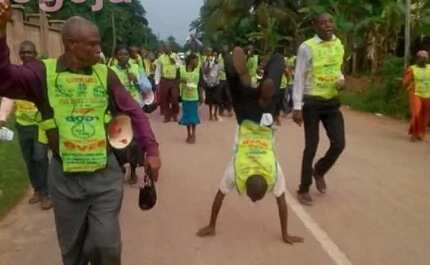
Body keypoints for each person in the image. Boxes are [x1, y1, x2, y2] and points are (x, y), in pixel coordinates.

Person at [0, 5, 161, 264]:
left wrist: (151, 150)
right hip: (66, 181)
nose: (99, 50)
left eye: (99, 44)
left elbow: (135, 112)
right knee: (73, 253)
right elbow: (4, 79)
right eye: (92, 45)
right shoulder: (43, 73)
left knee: (108, 247)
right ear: (71, 44)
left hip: (104, 176)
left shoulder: (104, 75)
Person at [196, 46, 303, 244]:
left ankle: (257, 78)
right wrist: (285, 234)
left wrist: (212, 225)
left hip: (263, 116)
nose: (253, 201)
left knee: (275, 65)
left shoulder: (262, 172)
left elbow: (220, 197)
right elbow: (281, 204)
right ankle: (233, 63)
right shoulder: (245, 173)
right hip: (248, 115)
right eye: (256, 198)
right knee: (237, 86)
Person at [292, 13, 346, 206]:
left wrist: (342, 80)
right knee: (312, 145)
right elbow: (298, 76)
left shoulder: (338, 44)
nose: (327, 25)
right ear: (315, 26)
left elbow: (336, 68)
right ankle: (304, 188)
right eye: (322, 23)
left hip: (331, 101)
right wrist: (297, 107)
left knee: (339, 143)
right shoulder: (307, 47)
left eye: (330, 21)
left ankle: (319, 170)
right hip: (312, 102)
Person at [0, 41, 52, 210]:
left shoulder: (40, 73)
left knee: (40, 158)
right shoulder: (17, 75)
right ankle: (37, 190)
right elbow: (8, 98)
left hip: (40, 126)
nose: (26, 55)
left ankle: (47, 193)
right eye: (23, 52)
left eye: (29, 52)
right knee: (29, 160)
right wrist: (2, 117)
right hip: (23, 126)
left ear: (35, 54)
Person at [403, 50, 430, 142]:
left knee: (425, 115)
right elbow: (405, 82)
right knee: (417, 113)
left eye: (425, 58)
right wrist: (409, 86)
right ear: (417, 59)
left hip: (428, 94)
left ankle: (421, 133)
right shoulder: (412, 69)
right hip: (416, 94)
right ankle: (414, 133)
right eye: (421, 58)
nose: (423, 60)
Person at [179, 54, 202, 144]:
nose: (197, 62)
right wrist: (181, 81)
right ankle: (188, 134)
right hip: (185, 97)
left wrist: (201, 96)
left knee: (193, 117)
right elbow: (178, 80)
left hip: (194, 97)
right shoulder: (182, 70)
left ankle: (194, 134)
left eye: (197, 60)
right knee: (187, 117)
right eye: (195, 60)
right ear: (190, 60)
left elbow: (200, 84)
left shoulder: (198, 70)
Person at [157, 43, 180, 122]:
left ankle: (174, 113)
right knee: (164, 99)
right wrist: (157, 81)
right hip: (164, 80)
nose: (166, 49)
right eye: (165, 48)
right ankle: (167, 116)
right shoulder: (161, 58)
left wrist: (173, 60)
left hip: (173, 80)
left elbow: (179, 66)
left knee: (175, 98)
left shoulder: (175, 56)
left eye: (168, 47)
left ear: (171, 48)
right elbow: (158, 70)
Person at [203, 50, 222, 121]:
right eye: (213, 55)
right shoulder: (207, 62)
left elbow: (220, 73)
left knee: (216, 100)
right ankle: (210, 114)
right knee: (210, 100)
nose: (214, 57)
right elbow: (205, 72)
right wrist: (209, 65)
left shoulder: (218, 63)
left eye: (216, 55)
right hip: (209, 83)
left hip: (216, 83)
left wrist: (217, 81)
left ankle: (215, 114)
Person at [218, 46, 233, 117]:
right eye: (223, 50)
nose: (224, 51)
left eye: (225, 50)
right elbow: (219, 67)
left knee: (229, 95)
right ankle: (221, 110)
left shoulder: (230, 57)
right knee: (221, 95)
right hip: (221, 79)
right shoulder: (219, 57)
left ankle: (229, 110)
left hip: (228, 79)